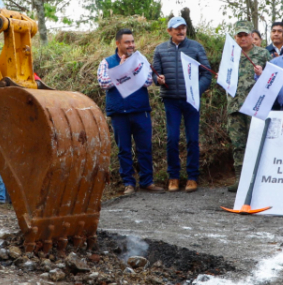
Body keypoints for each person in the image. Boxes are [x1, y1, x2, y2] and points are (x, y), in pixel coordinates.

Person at [152, 16, 212, 192]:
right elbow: (155, 74)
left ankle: (192, 177)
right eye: (177, 28)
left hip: (192, 101)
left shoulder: (196, 47)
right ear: (169, 31)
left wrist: (195, 90)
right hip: (171, 100)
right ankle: (173, 177)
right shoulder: (160, 49)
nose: (181, 31)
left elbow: (207, 74)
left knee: (193, 139)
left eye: (183, 28)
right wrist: (158, 79)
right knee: (172, 138)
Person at [97, 28, 157, 195]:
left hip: (141, 110)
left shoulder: (140, 60)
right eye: (127, 42)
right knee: (124, 149)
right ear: (118, 44)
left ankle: (147, 182)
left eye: (132, 41)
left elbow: (147, 80)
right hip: (119, 112)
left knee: (144, 147)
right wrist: (122, 71)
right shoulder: (107, 62)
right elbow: (103, 82)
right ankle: (128, 184)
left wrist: (125, 72)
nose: (131, 45)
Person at [226, 22, 272, 192]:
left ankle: (258, 179)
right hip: (234, 105)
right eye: (239, 35)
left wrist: (263, 73)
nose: (243, 38)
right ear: (236, 37)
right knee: (238, 144)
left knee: (257, 143)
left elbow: (272, 78)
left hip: (254, 106)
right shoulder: (230, 55)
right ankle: (240, 179)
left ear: (252, 36)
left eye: (246, 35)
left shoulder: (262, 53)